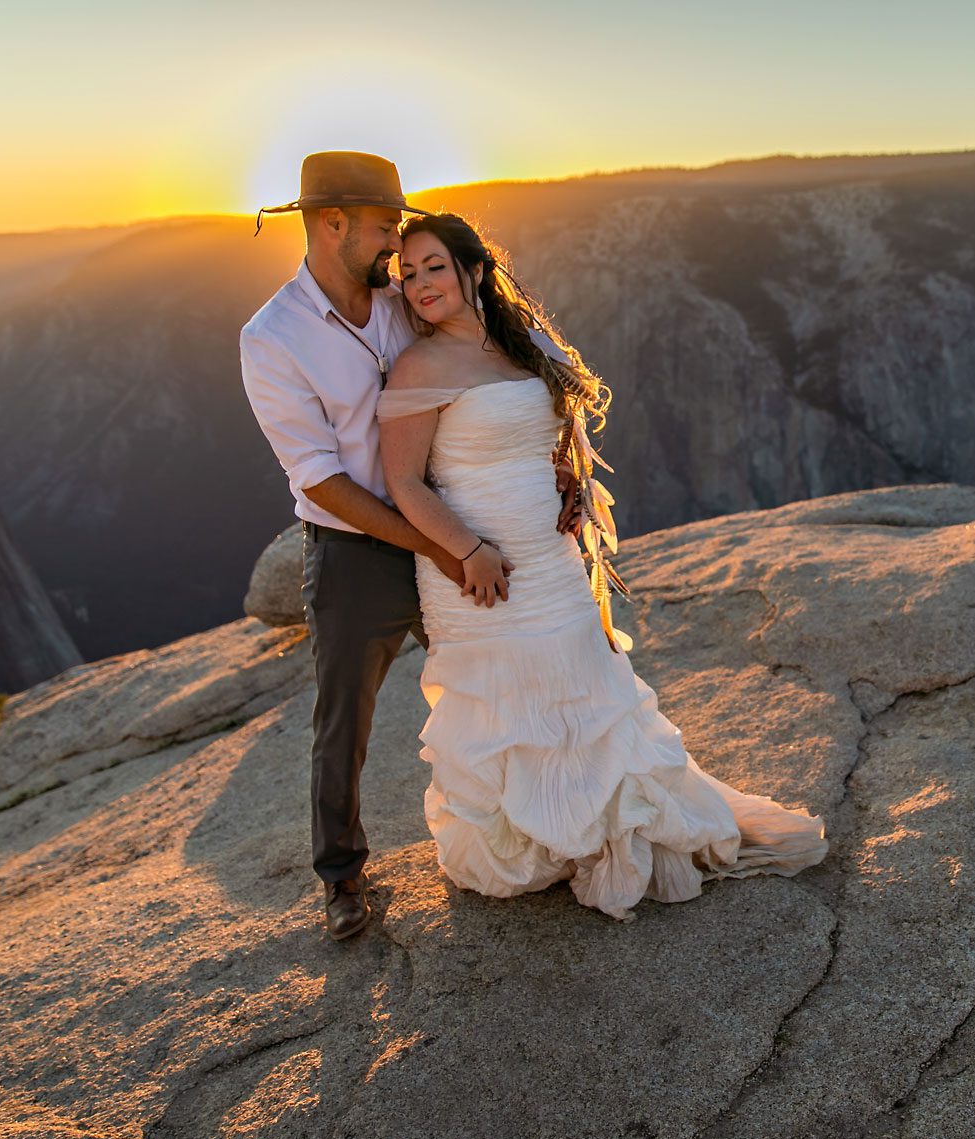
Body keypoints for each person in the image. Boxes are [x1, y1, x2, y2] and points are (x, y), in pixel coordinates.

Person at [374, 211, 828, 921]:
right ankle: (531, 839)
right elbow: (404, 484)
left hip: (546, 556)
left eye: (434, 265)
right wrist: (466, 550)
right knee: (506, 702)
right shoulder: (419, 365)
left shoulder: (522, 347)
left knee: (584, 681)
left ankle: (597, 823)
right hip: (474, 566)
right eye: (407, 275)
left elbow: (551, 432)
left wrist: (570, 477)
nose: (421, 284)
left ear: (474, 268)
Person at [240, 152, 565, 943]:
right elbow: (318, 477)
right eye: (385, 225)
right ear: (332, 223)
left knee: (496, 675)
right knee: (344, 714)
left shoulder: (401, 301)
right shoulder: (273, 336)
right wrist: (445, 545)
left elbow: (482, 367)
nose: (396, 238)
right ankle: (342, 876)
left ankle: (535, 823)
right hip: (358, 550)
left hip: (458, 527)